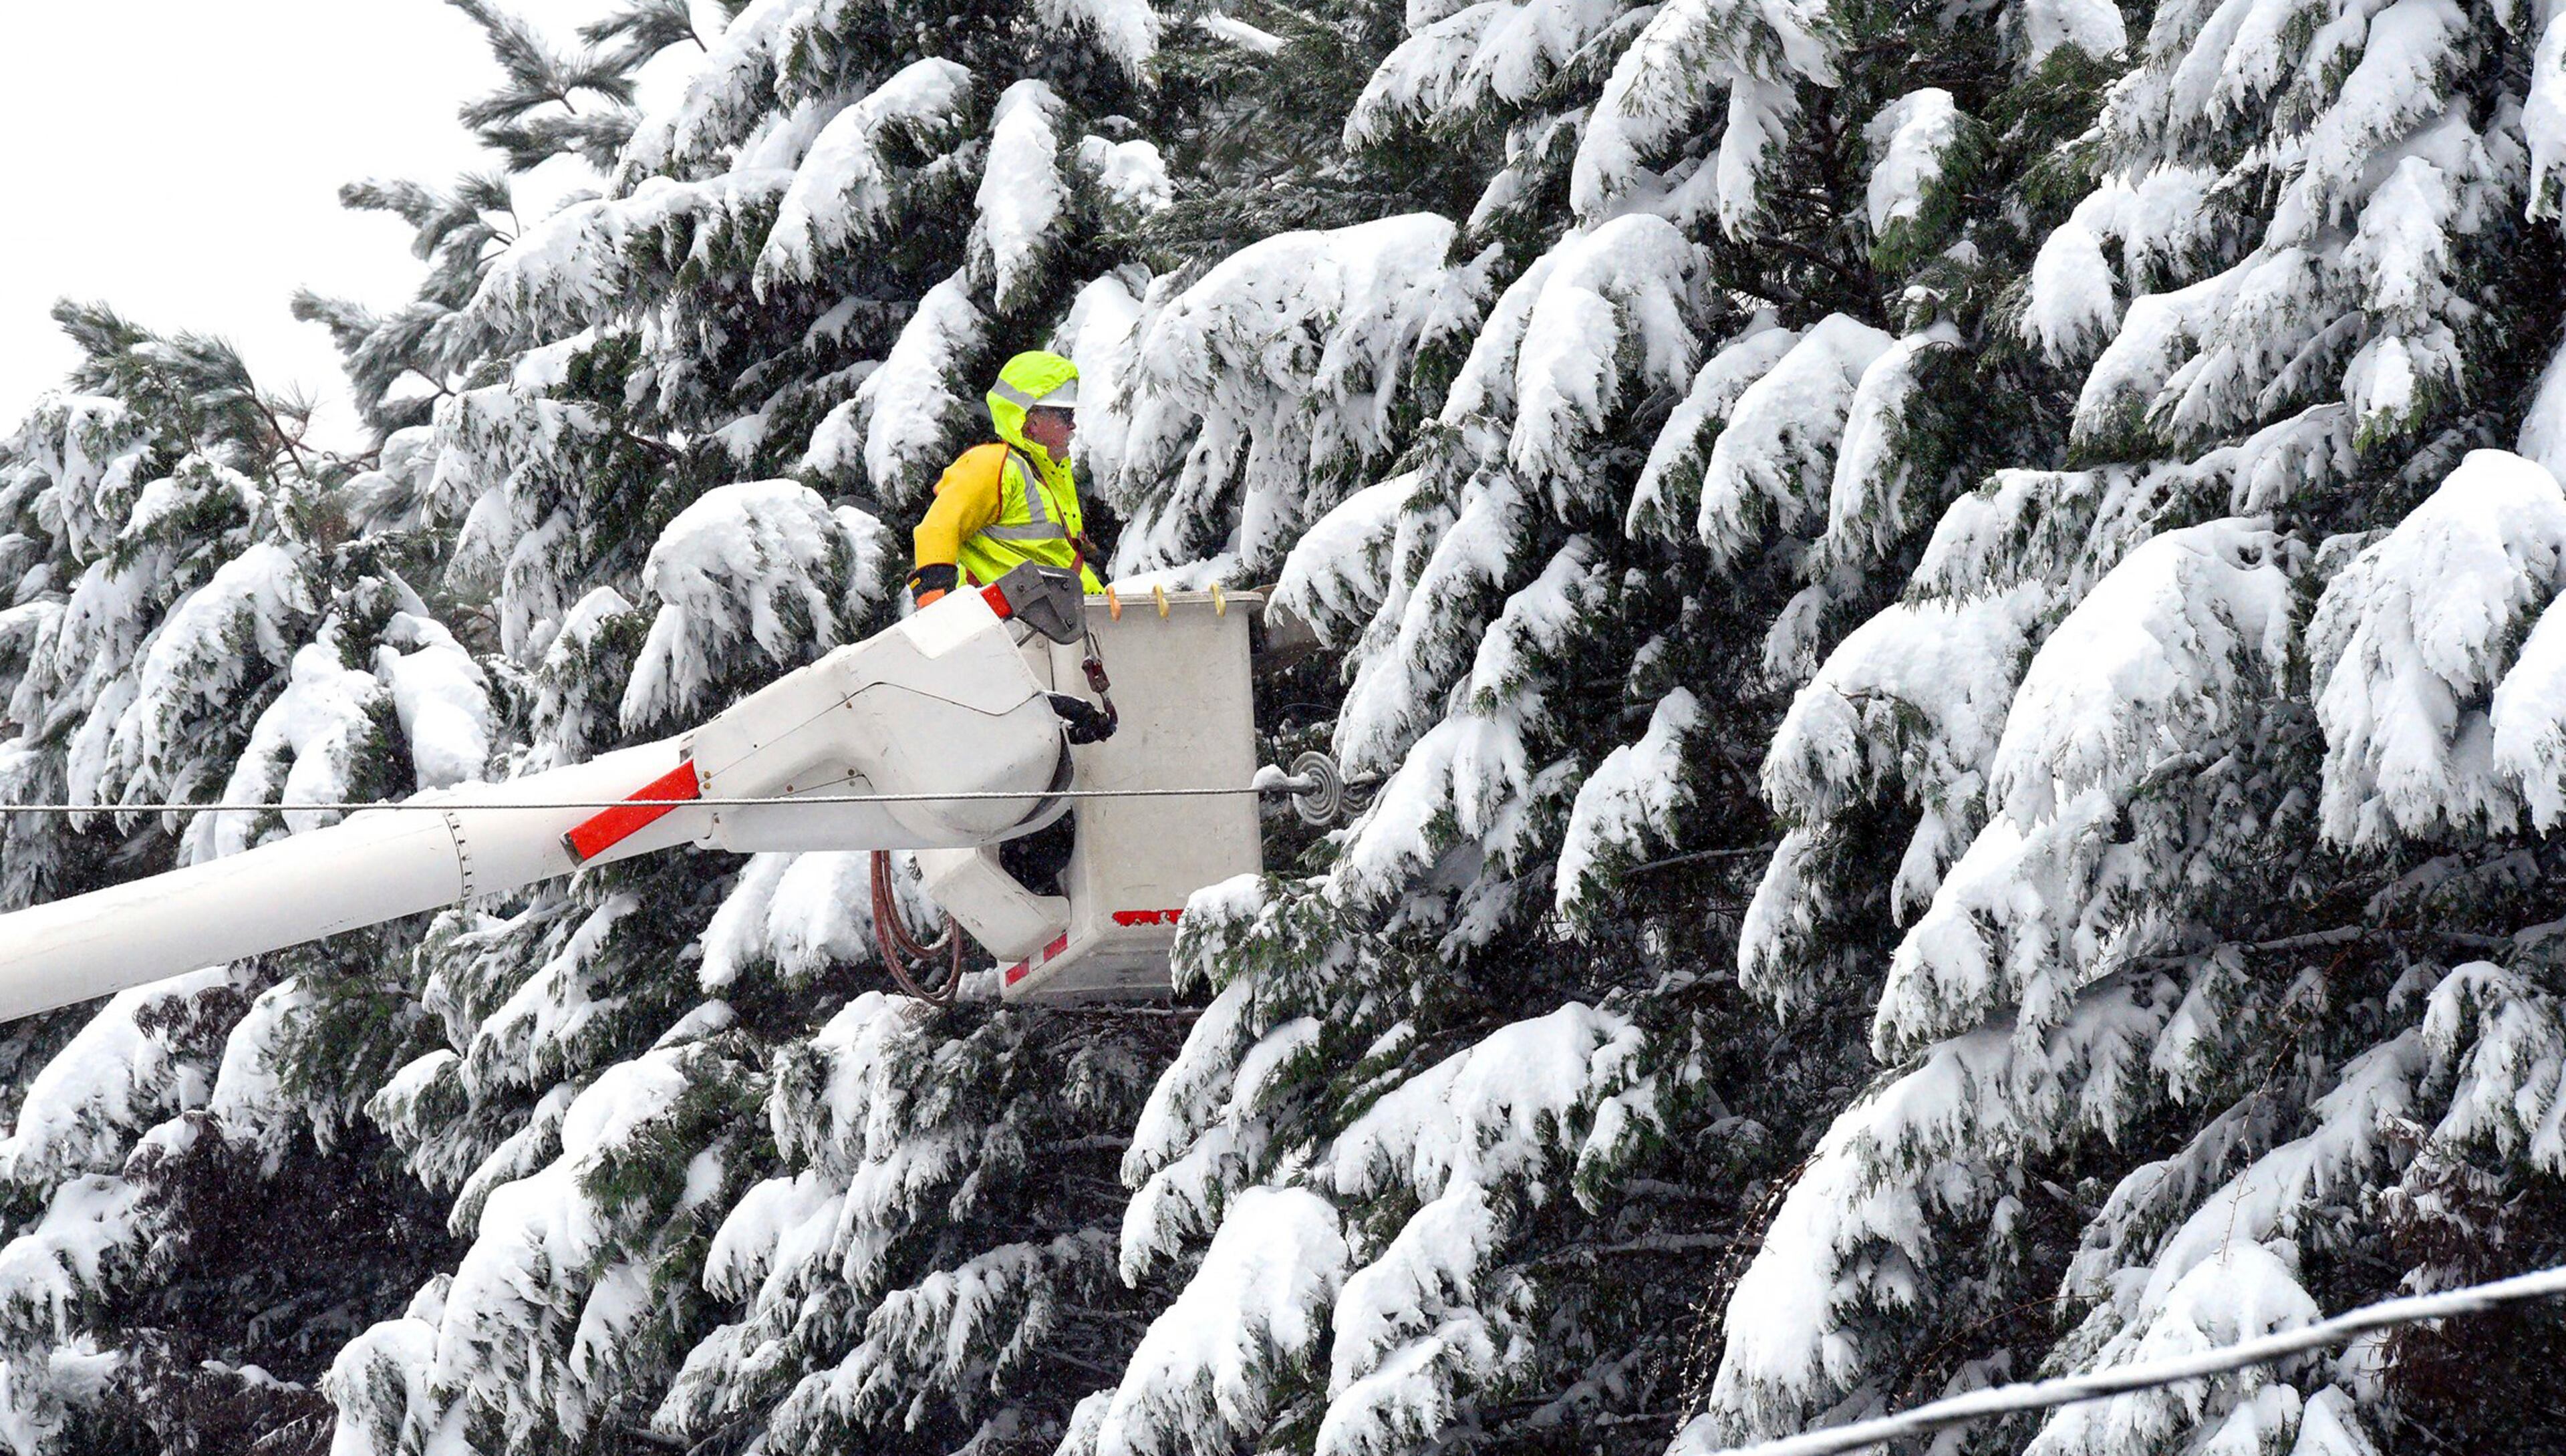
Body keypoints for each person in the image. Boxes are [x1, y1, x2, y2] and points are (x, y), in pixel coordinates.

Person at [905, 349, 1107, 608]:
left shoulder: (1043, 477)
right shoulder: (993, 465)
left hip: (1058, 628)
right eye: (1066, 416)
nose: (1073, 426)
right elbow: (939, 528)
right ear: (1032, 421)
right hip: (1014, 632)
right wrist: (935, 603)